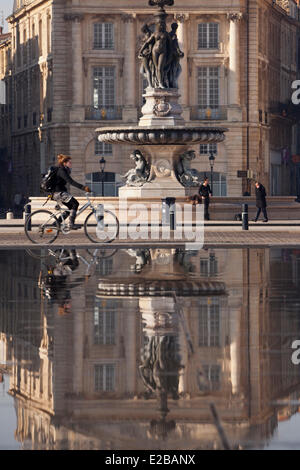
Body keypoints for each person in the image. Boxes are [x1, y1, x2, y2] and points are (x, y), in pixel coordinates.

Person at [52, 154, 90, 230]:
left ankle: (56, 223)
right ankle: (71, 224)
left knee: (70, 208)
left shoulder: (65, 170)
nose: (71, 164)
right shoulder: (61, 171)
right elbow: (71, 182)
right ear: (64, 163)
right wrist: (83, 187)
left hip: (59, 193)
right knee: (75, 203)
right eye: (69, 162)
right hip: (58, 193)